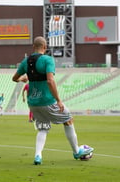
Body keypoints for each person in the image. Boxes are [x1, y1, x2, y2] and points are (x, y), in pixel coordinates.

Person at [12, 36, 93, 165]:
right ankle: (76, 151)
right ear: (45, 47)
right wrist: (58, 100)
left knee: (43, 128)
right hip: (47, 101)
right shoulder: (48, 60)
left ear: (33, 47)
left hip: (33, 103)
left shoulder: (25, 61)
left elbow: (14, 78)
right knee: (68, 120)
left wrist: (22, 79)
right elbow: (50, 80)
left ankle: (38, 156)